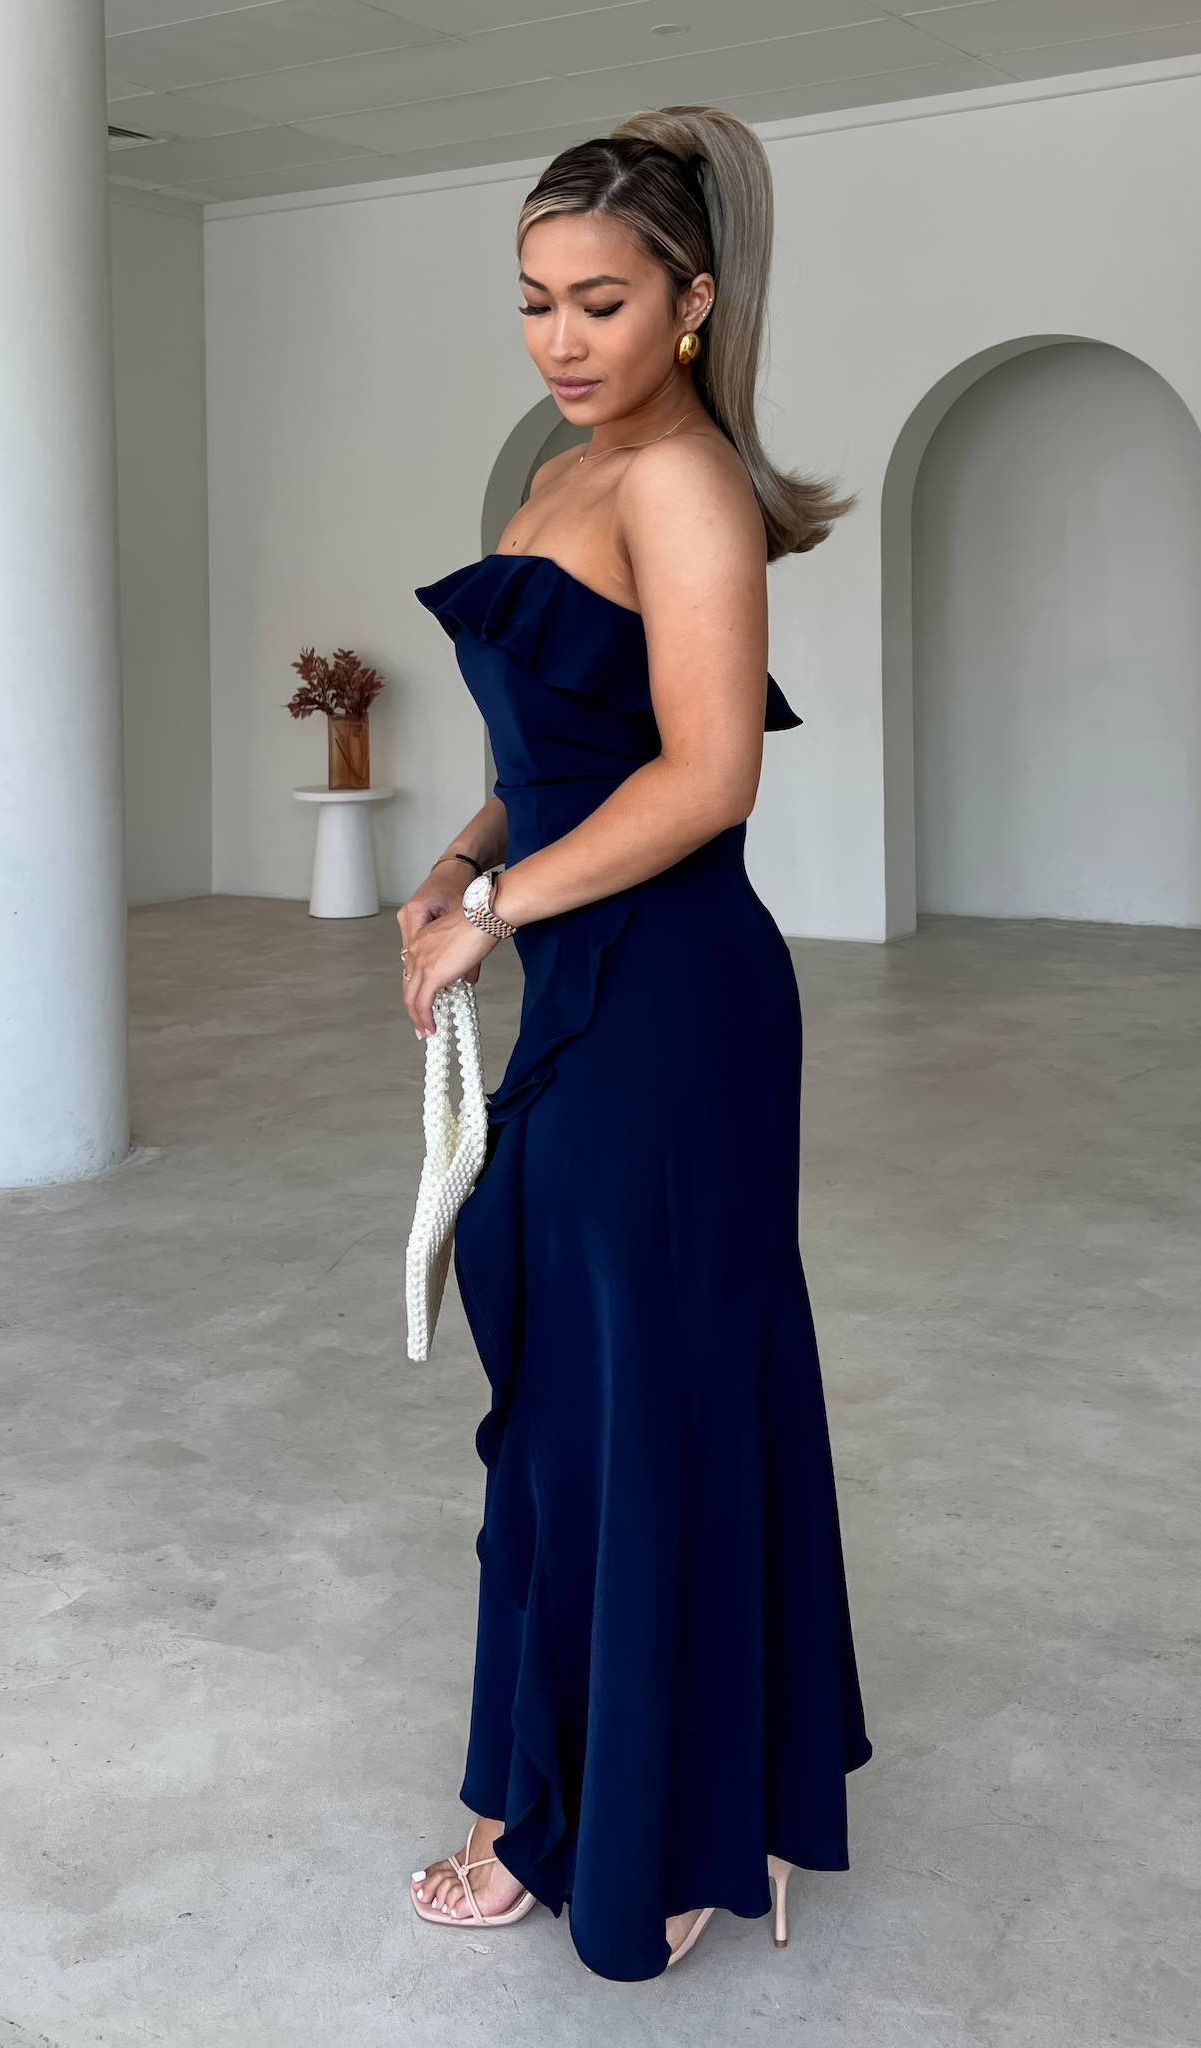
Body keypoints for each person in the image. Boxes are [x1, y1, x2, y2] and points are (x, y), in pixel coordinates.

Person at [397, 102, 873, 1983]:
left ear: (691, 301)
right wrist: (460, 859)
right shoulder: (567, 471)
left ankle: (661, 1831)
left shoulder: (682, 484)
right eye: (534, 301)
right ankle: (554, 1798)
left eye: (600, 302)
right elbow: (566, 744)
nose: (561, 338)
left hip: (672, 1008)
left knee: (640, 1405)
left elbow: (706, 774)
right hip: (590, 981)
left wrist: (497, 910)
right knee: (579, 1400)